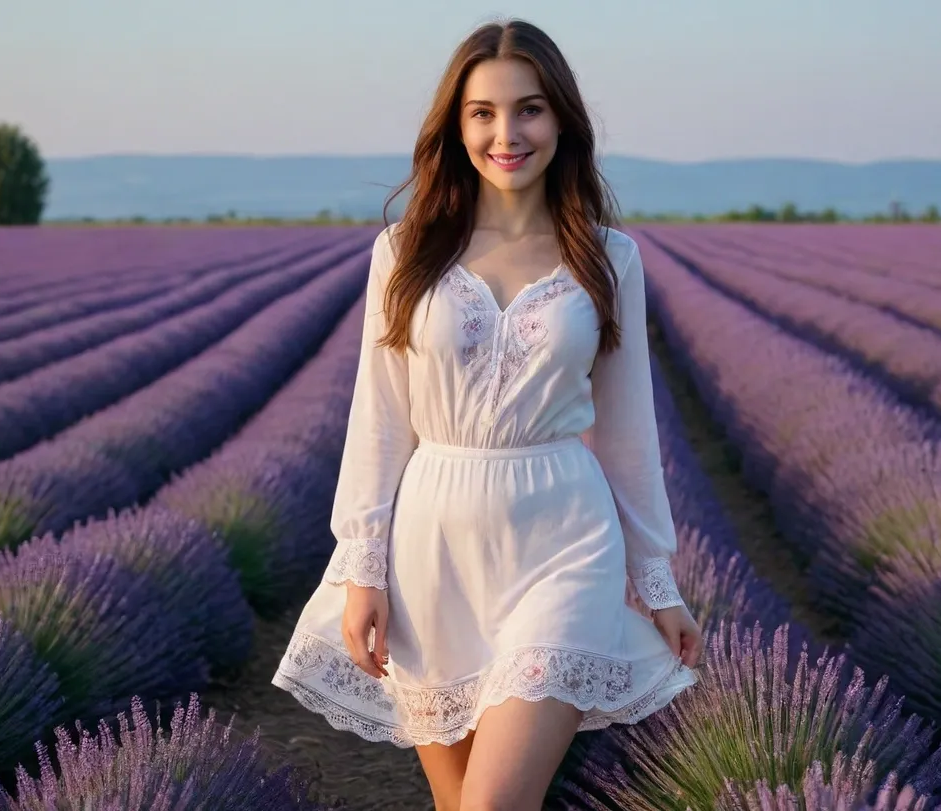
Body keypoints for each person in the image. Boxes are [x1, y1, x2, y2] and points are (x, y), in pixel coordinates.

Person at [271, 17, 702, 811]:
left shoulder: (609, 258)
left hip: (564, 542)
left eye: (530, 109)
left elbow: (628, 430)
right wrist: (362, 565)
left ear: (562, 120)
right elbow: (380, 416)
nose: (508, 133)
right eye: (484, 112)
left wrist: (656, 578)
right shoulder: (406, 253)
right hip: (433, 551)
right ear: (456, 124)